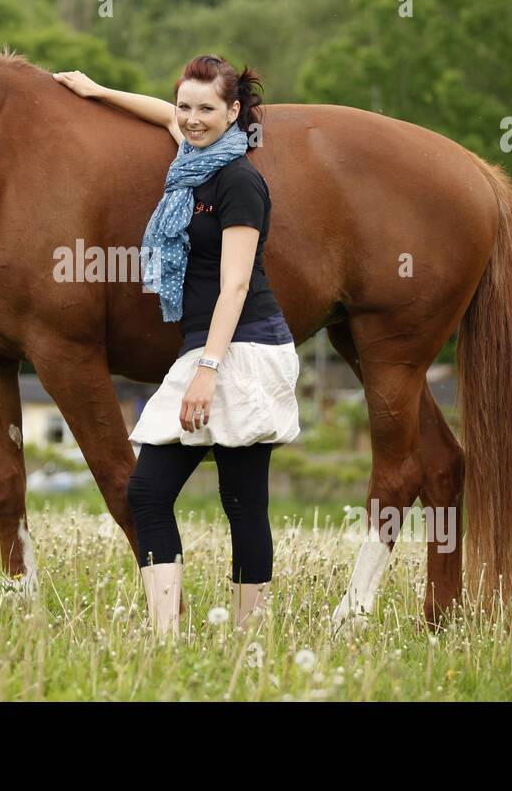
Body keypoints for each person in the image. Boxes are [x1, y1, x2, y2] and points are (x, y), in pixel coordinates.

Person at [52, 55, 300, 637]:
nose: (190, 119)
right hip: (210, 347)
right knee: (149, 492)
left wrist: (208, 370)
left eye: (206, 109)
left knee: (242, 503)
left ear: (233, 112)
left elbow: (236, 284)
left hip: (246, 350)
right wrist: (95, 90)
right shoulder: (192, 161)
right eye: (185, 106)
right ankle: (167, 638)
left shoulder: (239, 181)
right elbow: (160, 112)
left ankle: (249, 640)